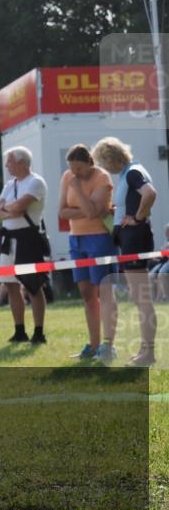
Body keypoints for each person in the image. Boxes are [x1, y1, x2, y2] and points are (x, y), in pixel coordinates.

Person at [93, 137, 158, 366]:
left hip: (135, 238)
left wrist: (138, 217)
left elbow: (150, 194)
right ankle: (144, 349)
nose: (105, 168)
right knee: (140, 297)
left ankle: (148, 353)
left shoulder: (132, 172)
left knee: (142, 299)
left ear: (111, 158)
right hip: (131, 238)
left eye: (103, 162)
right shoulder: (129, 173)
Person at [60, 144, 116, 362]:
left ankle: (108, 345)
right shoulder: (67, 176)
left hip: (100, 239)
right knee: (86, 293)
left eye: (80, 169)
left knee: (104, 292)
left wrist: (79, 190)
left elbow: (94, 213)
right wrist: (87, 209)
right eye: (72, 169)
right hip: (76, 240)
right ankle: (93, 345)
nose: (75, 174)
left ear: (90, 163)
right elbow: (62, 211)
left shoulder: (102, 178)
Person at [0, 147, 49, 346]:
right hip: (8, 238)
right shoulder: (10, 185)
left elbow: (18, 207)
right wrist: (9, 210)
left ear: (22, 162)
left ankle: (39, 331)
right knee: (10, 284)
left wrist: (7, 209)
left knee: (33, 285)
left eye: (10, 161)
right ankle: (19, 331)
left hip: (28, 238)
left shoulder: (36, 182)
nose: (7, 165)